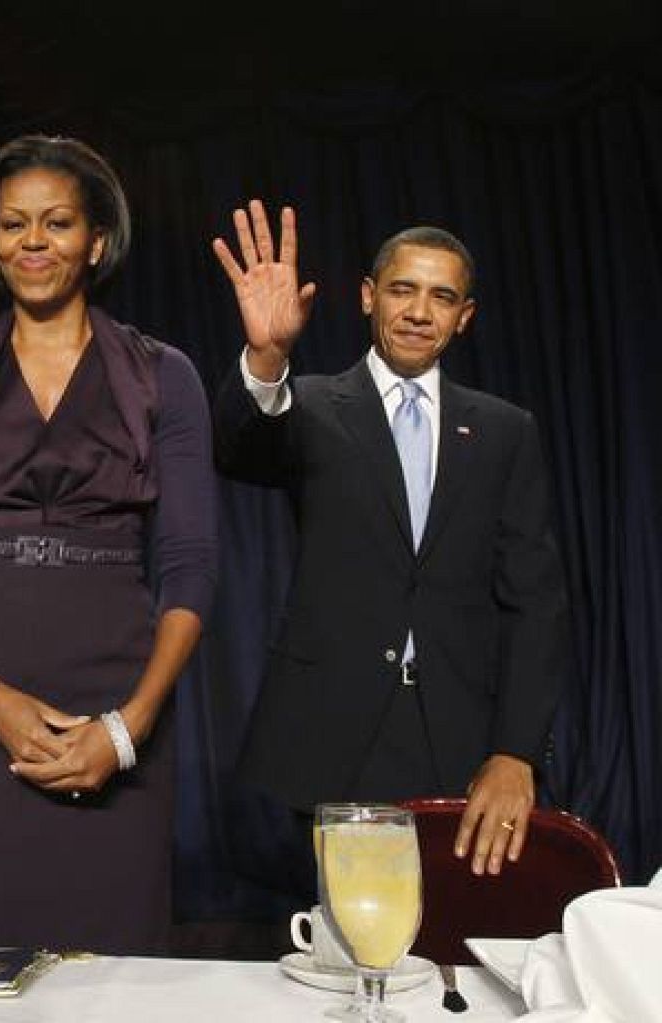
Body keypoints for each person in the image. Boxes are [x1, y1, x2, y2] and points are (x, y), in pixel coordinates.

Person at [0, 135, 218, 954]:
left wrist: (128, 728)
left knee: (108, 973)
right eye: (13, 223)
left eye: (56, 222)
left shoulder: (166, 376)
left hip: (113, 701)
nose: (32, 241)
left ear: (97, 241)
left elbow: (193, 566)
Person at [211, 201, 569, 885]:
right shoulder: (310, 405)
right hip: (334, 732)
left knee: (454, 962)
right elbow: (239, 448)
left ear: (465, 316)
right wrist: (267, 354)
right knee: (346, 959)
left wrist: (516, 751)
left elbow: (536, 603)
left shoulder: (503, 431)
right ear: (370, 297)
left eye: (442, 297)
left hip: (460, 740)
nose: (418, 311)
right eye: (402, 289)